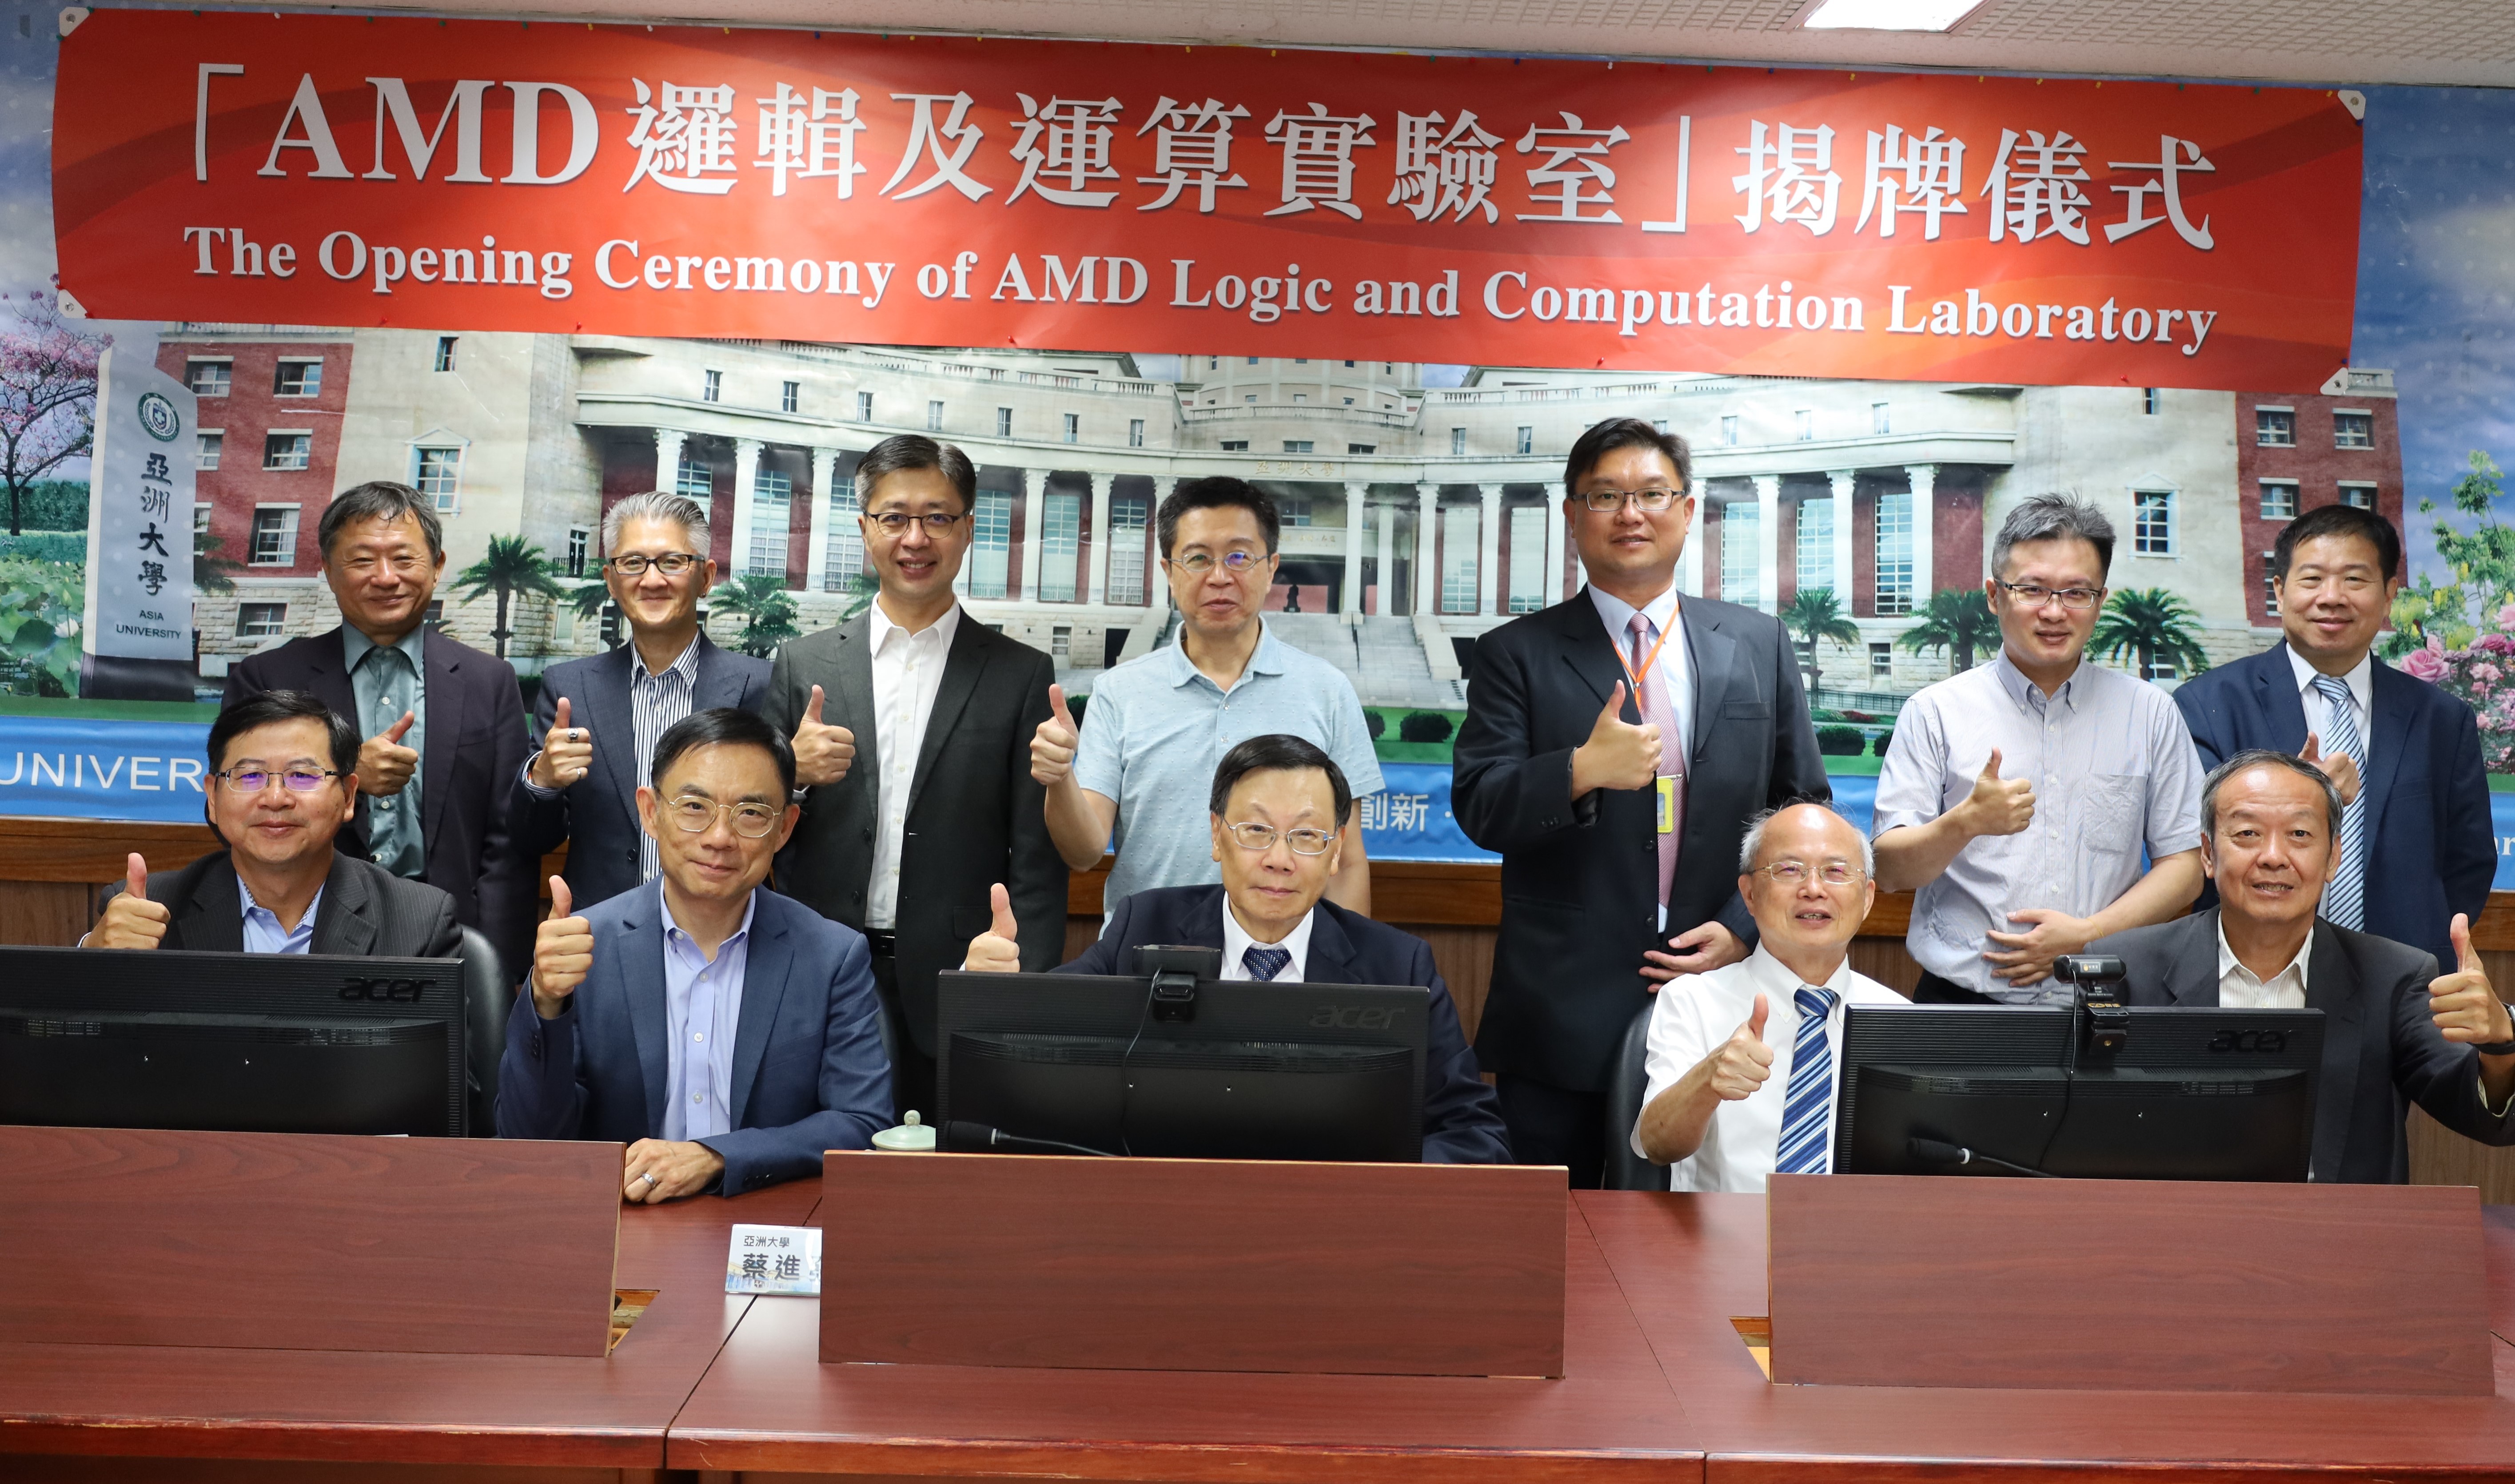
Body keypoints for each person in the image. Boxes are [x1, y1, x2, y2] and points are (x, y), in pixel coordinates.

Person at [1452, 416, 1826, 1187]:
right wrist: (1578, 771)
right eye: (1606, 495)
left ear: (1687, 511)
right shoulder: (1514, 654)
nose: (1632, 513)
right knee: (1558, 1247)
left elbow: (1802, 809)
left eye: (1653, 493)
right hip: (1561, 1011)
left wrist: (1740, 925)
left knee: (1699, 1234)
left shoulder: (1757, 643)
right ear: (1571, 515)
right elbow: (1481, 806)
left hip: (1722, 996)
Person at [962, 734, 1509, 1164]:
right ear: (1216, 836)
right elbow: (1044, 1033)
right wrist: (995, 991)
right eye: (1255, 831)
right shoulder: (1143, 925)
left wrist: (1374, 1181)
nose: (1279, 858)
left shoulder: (1396, 966)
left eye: (1306, 836)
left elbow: (1471, 1130)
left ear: (1337, 849)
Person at [761, 435, 1063, 1121]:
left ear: (968, 530)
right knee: (818, 1159)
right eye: (894, 517)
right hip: (819, 964)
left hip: (961, 975)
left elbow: (1037, 863)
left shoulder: (1019, 674)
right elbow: (752, 828)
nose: (915, 537)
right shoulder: (800, 664)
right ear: (865, 527)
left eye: (938, 517)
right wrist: (795, 776)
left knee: (946, 1185)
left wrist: (1024, 986)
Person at [496, 708, 893, 1201]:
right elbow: (528, 1137)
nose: (720, 838)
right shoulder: (585, 945)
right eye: (694, 806)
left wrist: (717, 1155)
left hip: (762, 1223)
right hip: (619, 1222)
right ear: (651, 811)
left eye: (750, 813)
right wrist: (545, 1001)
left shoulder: (832, 955)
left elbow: (863, 1123)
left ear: (785, 828)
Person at [2092, 750, 2515, 1182]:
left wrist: (2501, 1043)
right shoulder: (2125, 972)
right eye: (2248, 833)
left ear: (2333, 857)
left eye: (2299, 833)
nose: (2274, 856)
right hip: (2177, 1235)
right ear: (2207, 852)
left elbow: (2483, 1115)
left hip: (2337, 1238)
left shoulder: (2393, 977)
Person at [1872, 494, 2204, 1005]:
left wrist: (2086, 933)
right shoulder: (1935, 711)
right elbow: (1891, 872)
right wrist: (1965, 822)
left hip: (2105, 1000)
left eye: (2077, 592)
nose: (2054, 611)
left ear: (2101, 599)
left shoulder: (2151, 713)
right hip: (1960, 1003)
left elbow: (2184, 867)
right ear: (1993, 594)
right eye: (2032, 589)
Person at [1029, 476, 1382, 917]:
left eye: (1239, 556)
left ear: (1272, 566)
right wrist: (1060, 779)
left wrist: (1341, 981)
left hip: (1285, 967)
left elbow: (1345, 861)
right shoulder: (1119, 691)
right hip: (1148, 963)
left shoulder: (1327, 691)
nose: (1219, 577)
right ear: (1169, 571)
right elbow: (1083, 852)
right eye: (1198, 558)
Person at [224, 481, 531, 979]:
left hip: (451, 938)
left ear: (437, 565)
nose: (386, 578)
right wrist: (340, 775)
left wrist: (494, 963)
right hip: (307, 937)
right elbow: (228, 813)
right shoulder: (267, 679)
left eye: (404, 559)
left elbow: (507, 841)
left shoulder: (488, 681)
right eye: (363, 560)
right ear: (327, 570)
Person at [2172, 503, 2492, 979]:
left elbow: (2468, 862)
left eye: (2355, 580)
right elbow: (2195, 856)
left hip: (2405, 982)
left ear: (2388, 596)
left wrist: (2418, 945)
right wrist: (2305, 796)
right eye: (2312, 579)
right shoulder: (2207, 704)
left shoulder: (2442, 718)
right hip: (2252, 976)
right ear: (2279, 591)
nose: (2332, 597)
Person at [510, 491, 769, 915]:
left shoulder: (760, 685)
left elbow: (779, 824)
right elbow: (530, 839)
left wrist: (800, 779)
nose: (652, 580)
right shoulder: (569, 689)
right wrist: (543, 780)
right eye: (633, 562)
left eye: (672, 562)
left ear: (705, 577)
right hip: (600, 933)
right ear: (611, 580)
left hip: (725, 933)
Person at [1630, 802, 1905, 1190]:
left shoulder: (1899, 1019)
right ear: (1750, 894)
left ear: (1867, 898)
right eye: (1790, 870)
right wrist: (1709, 1079)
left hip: (1860, 1240)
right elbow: (1655, 1145)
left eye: (1836, 871)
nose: (1813, 889)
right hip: (1726, 1244)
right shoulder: (1693, 999)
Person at [82, 689, 460, 958]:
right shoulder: (148, 911)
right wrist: (92, 958)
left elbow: (450, 1072)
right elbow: (81, 1059)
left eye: (303, 775)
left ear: (348, 797)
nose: (276, 798)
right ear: (212, 798)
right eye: (249, 777)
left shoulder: (419, 923)